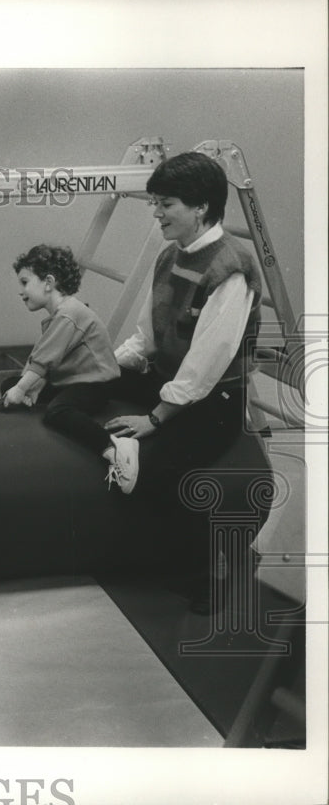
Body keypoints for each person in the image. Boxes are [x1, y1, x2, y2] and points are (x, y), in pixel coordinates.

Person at [103, 151, 263, 614]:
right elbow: (146, 336)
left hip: (214, 399)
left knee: (164, 474)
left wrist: (156, 418)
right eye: (155, 202)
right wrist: (107, 369)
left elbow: (204, 368)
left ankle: (222, 567)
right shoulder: (169, 255)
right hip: (170, 379)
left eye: (165, 204)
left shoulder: (231, 269)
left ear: (201, 209)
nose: (156, 213)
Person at [0, 244, 136, 492]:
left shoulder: (69, 314)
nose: (20, 292)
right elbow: (41, 359)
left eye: (24, 282)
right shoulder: (60, 314)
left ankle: (113, 448)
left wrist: (23, 388)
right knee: (10, 384)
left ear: (49, 282)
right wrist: (28, 385)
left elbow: (43, 359)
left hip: (95, 385)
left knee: (57, 411)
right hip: (72, 378)